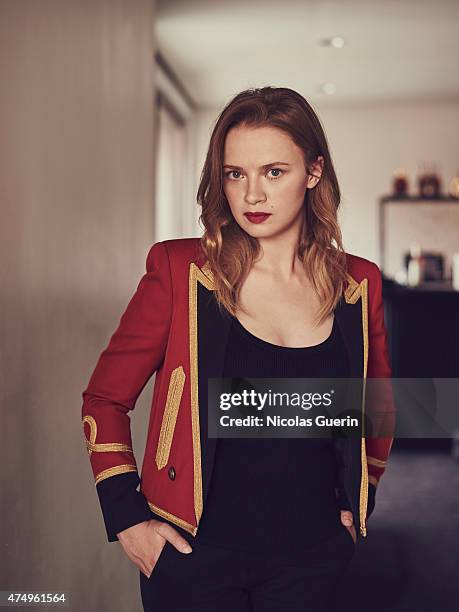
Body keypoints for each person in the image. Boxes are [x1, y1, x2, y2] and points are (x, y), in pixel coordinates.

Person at [81, 86, 394, 612]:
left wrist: (357, 506)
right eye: (235, 173)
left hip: (313, 559)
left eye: (274, 172)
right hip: (192, 559)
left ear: (313, 173)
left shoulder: (358, 284)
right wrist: (128, 519)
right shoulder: (179, 271)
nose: (252, 195)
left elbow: (377, 408)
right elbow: (104, 401)